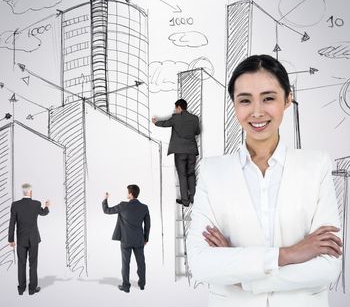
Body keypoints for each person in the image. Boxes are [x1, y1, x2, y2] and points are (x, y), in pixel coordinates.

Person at [187, 54, 342, 307]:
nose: (257, 112)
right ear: (234, 105)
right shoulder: (212, 171)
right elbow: (201, 264)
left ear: (288, 99)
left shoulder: (316, 166)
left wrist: (241, 274)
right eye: (245, 100)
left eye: (268, 98)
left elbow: (327, 267)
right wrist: (290, 254)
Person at [102, 184, 150, 293]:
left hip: (126, 241)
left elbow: (107, 210)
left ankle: (126, 286)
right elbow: (148, 225)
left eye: (127, 192)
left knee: (125, 264)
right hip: (139, 240)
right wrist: (146, 238)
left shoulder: (123, 206)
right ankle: (142, 284)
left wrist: (105, 199)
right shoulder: (144, 207)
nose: (126, 194)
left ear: (130, 194)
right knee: (141, 263)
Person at [152, 99, 200, 206]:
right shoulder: (195, 118)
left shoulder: (175, 118)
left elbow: (165, 123)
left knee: (182, 176)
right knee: (191, 174)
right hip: (192, 151)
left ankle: (185, 201)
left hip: (180, 152)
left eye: (176, 108)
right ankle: (193, 198)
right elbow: (198, 132)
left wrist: (155, 123)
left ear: (179, 107)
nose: (175, 110)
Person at [8, 183, 50, 295]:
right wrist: (47, 206)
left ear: (23, 192)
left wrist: (11, 239)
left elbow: (12, 223)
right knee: (33, 264)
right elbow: (43, 213)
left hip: (21, 240)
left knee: (21, 264)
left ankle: (21, 289)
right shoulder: (36, 204)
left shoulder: (15, 205)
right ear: (30, 192)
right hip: (33, 239)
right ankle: (32, 289)